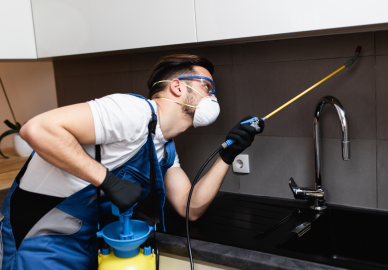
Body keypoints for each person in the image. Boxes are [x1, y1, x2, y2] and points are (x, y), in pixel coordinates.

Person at [0, 54, 264, 269]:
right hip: (42, 237)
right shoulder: (132, 111)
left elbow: (189, 206)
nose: (213, 97)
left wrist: (227, 155)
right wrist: (108, 180)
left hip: (89, 241)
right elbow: (37, 129)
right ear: (178, 86)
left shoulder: (164, 146)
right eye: (207, 87)